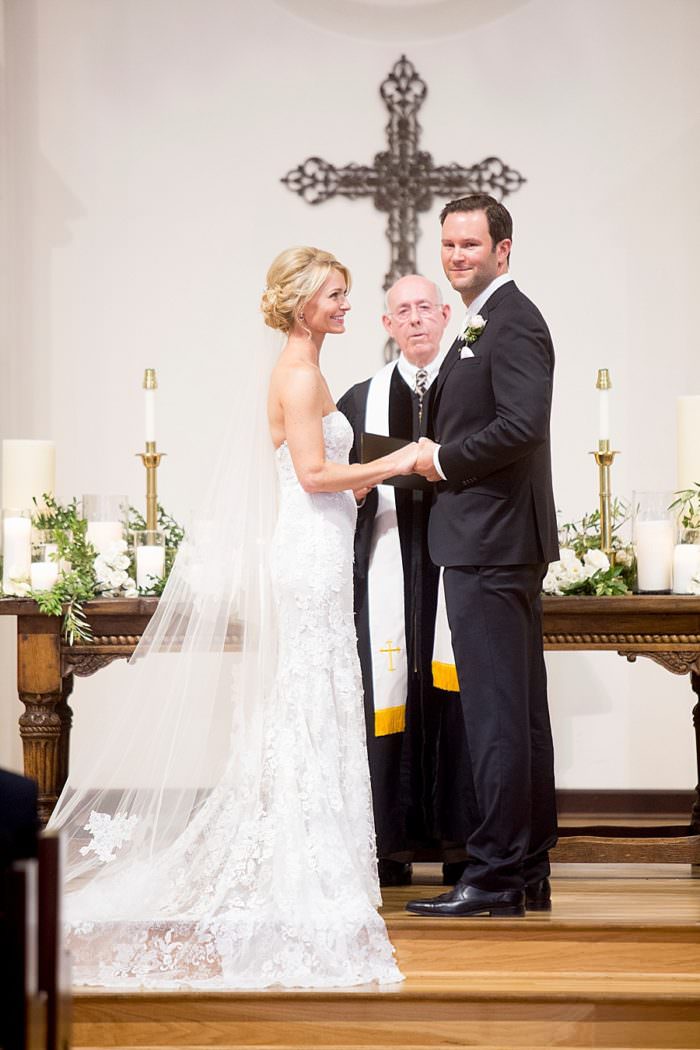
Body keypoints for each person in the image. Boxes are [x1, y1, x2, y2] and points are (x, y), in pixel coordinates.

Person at [49, 246, 416, 988]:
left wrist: (355, 491)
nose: (346, 305)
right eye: (336, 296)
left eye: (346, 295)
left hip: (317, 543)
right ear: (303, 302)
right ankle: (304, 865)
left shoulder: (300, 370)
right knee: (313, 696)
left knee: (318, 696)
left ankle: (314, 855)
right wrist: (398, 462)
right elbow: (312, 473)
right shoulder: (300, 373)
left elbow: (305, 471)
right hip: (310, 558)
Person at [408, 194, 559, 918]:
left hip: (492, 541)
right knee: (519, 713)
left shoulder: (514, 320)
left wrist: (444, 461)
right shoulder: (482, 321)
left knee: (499, 716)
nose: (457, 255)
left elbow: (522, 426)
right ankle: (525, 866)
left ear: (503, 249)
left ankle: (495, 876)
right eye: (448, 245)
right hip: (493, 540)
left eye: (470, 244)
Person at [337, 275, 473, 887]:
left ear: (446, 316)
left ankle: (461, 841)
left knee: (460, 691)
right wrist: (359, 488)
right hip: (385, 568)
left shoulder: (472, 390)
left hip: (457, 566)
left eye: (425, 308)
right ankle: (387, 844)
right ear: (386, 325)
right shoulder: (358, 400)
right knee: (381, 688)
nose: (416, 320)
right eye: (402, 312)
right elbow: (329, 488)